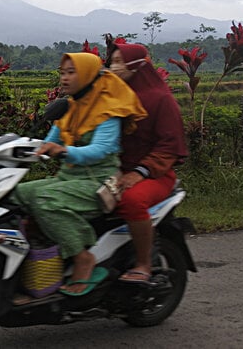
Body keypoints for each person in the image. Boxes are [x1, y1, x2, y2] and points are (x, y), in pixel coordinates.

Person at [13, 52, 147, 296]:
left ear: (86, 74)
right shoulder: (70, 106)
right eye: (62, 72)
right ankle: (33, 254)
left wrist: (64, 151)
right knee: (15, 194)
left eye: (71, 72)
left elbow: (100, 150)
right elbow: (47, 143)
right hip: (68, 179)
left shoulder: (108, 109)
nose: (64, 78)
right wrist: (12, 149)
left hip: (97, 182)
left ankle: (83, 257)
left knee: (45, 200)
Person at [107, 42, 188, 284]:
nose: (113, 67)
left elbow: (169, 146)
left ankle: (143, 263)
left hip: (155, 174)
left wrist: (139, 173)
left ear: (138, 67)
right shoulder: (114, 97)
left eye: (119, 62)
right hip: (115, 169)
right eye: (112, 61)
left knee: (132, 201)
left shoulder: (161, 99)